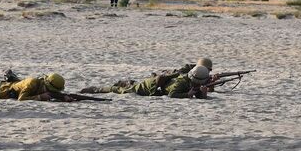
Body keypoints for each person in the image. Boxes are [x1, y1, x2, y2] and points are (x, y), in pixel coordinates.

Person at [81, 61, 215, 98]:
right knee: (122, 90)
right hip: (147, 88)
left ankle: (127, 82)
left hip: (155, 84)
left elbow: (196, 93)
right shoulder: (181, 82)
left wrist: (202, 94)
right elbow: (172, 94)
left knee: (130, 85)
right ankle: (95, 89)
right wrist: (187, 95)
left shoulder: (190, 79)